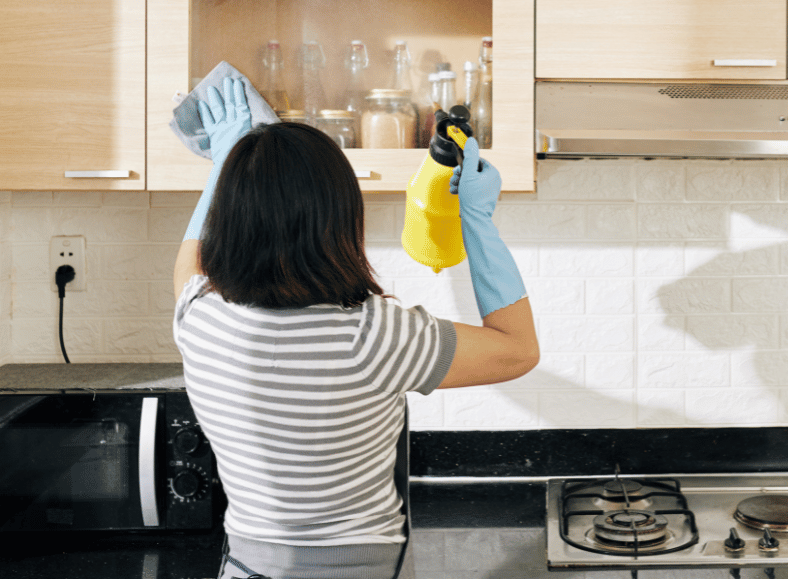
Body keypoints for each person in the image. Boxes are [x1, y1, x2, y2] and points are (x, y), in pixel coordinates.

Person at [172, 78, 538, 579]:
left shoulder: (201, 319)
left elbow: (189, 263)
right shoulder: (372, 336)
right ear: (340, 218)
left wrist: (227, 162)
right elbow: (517, 350)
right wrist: (476, 219)